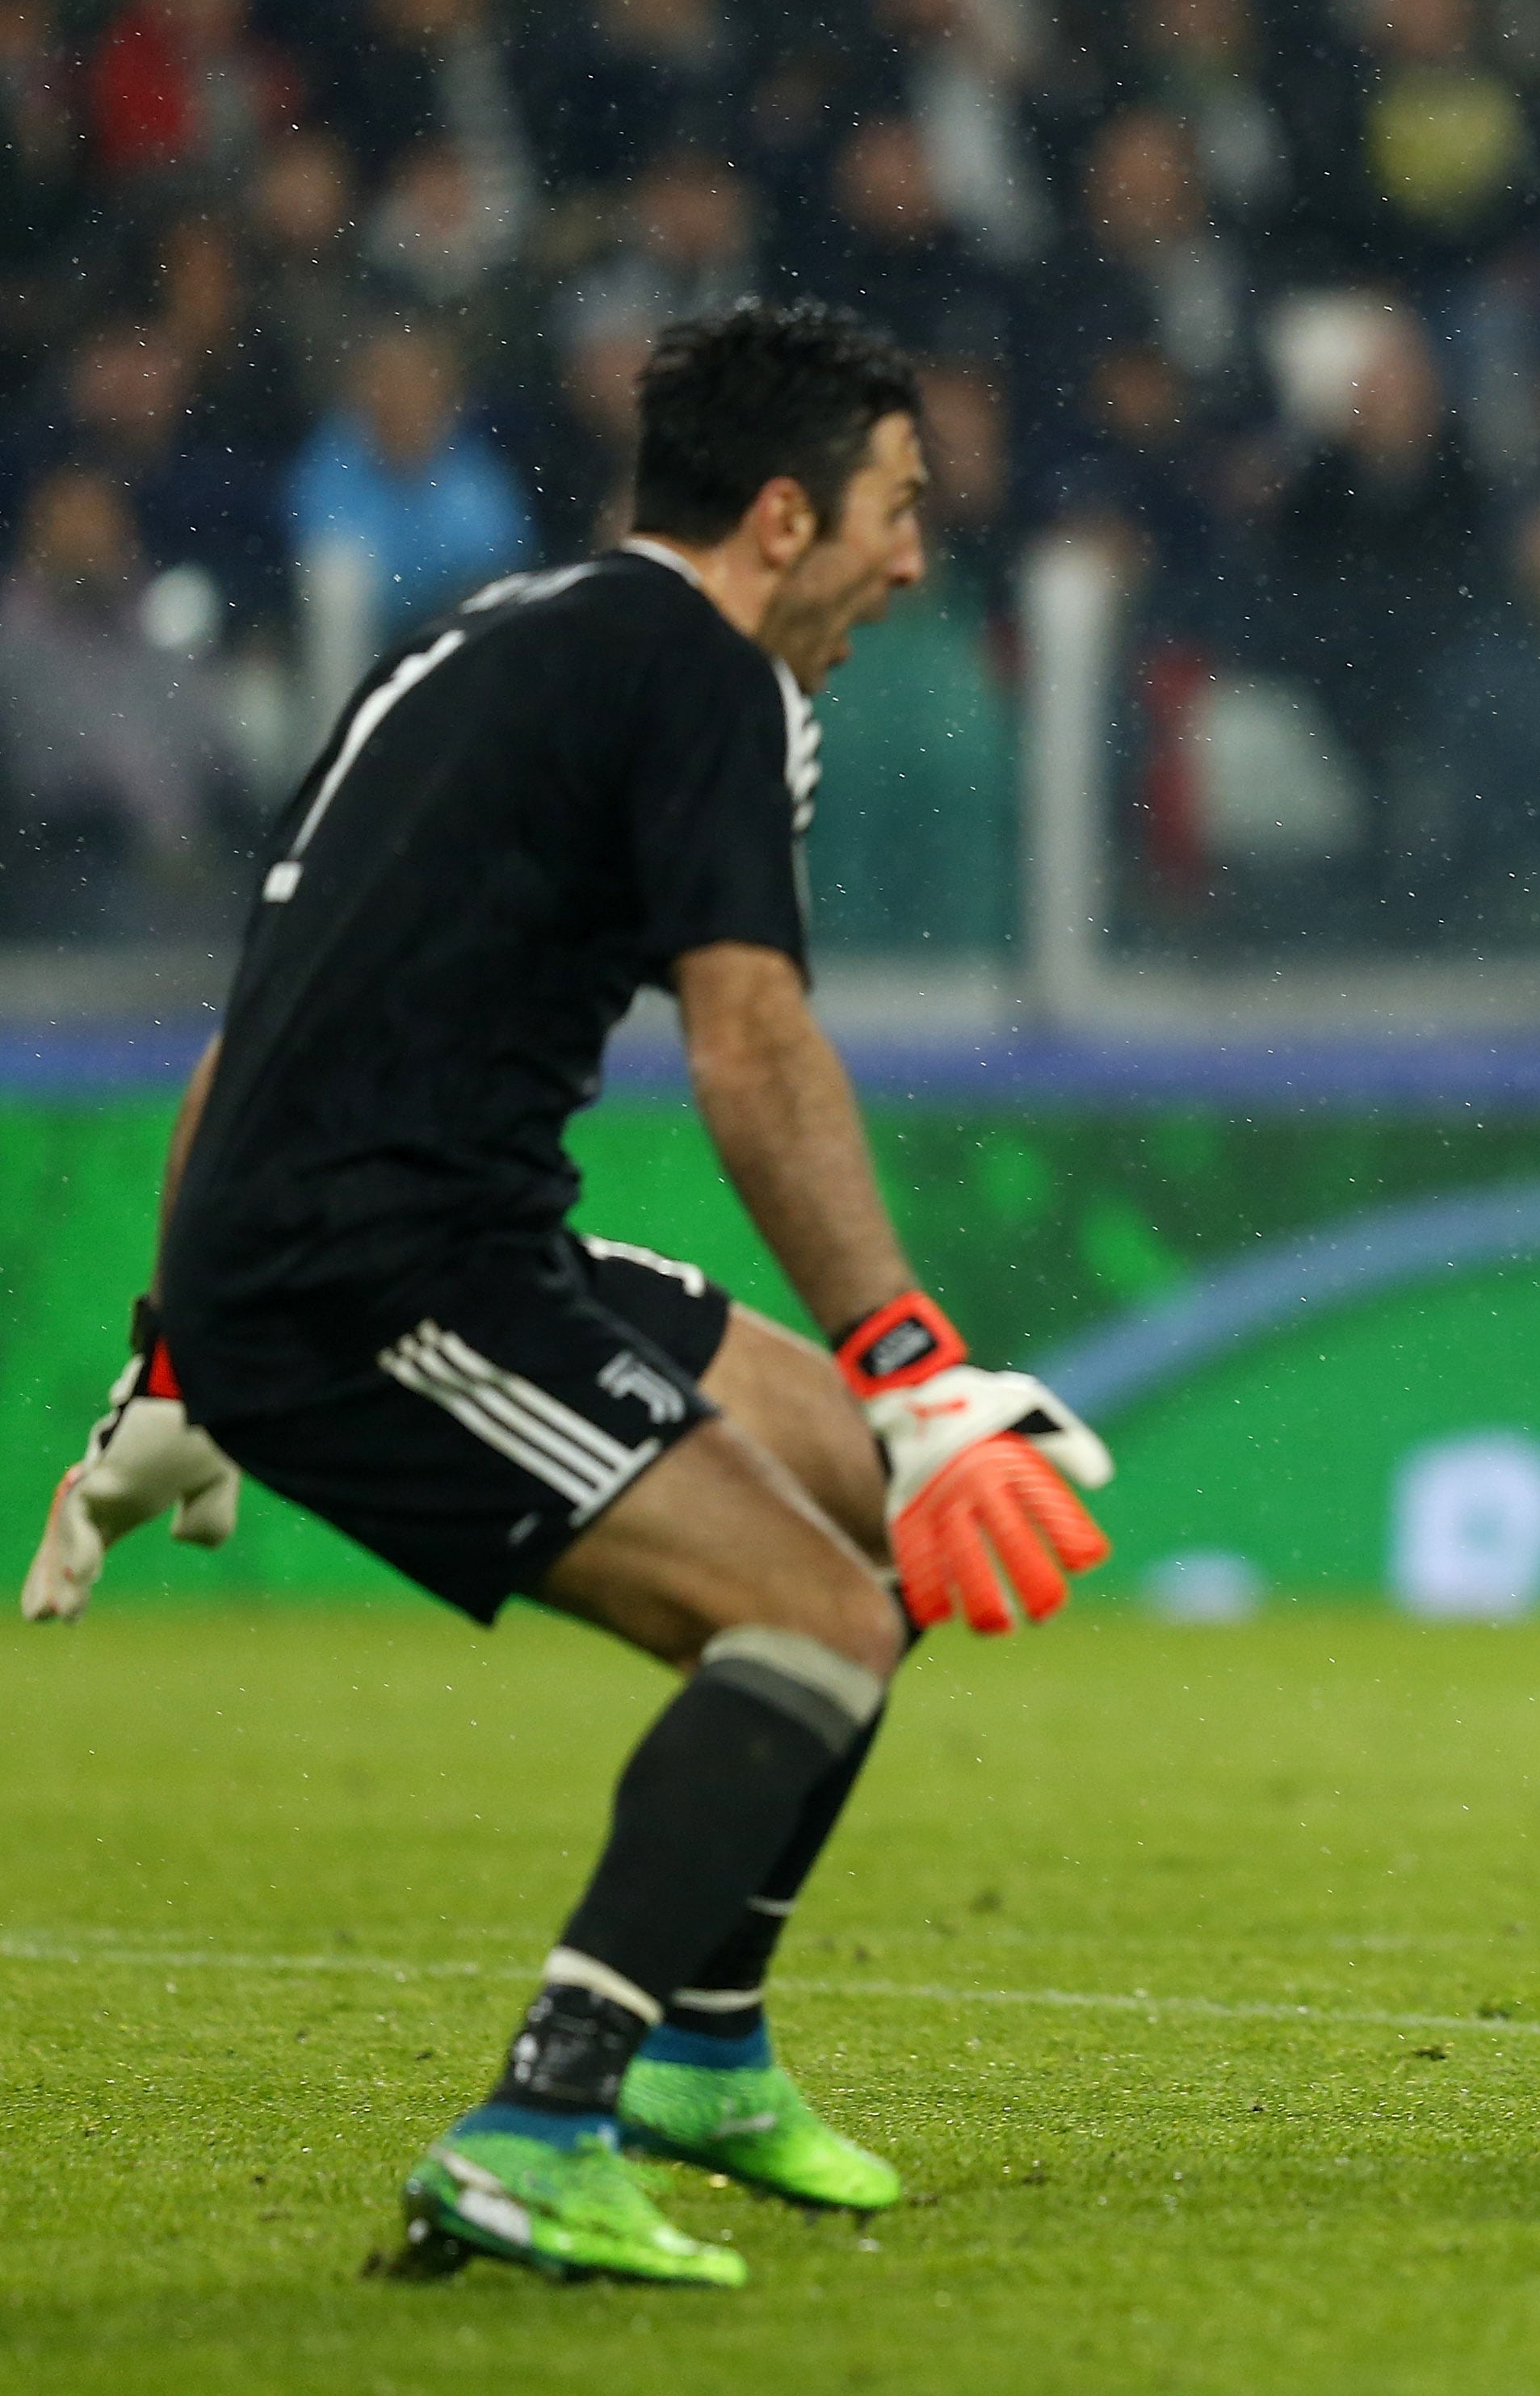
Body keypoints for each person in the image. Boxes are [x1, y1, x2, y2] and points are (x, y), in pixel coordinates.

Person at [20, 301, 1117, 2289]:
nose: (916, 559)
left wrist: (172, 1346)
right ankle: (537, 2118)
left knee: (865, 1510)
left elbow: (245, 1027)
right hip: (375, 1272)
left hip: (424, 1233)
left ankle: (704, 2053)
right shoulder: (703, 679)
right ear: (782, 517)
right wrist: (913, 1356)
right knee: (814, 1626)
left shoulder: (481, 642)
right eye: (894, 507)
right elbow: (753, 1045)